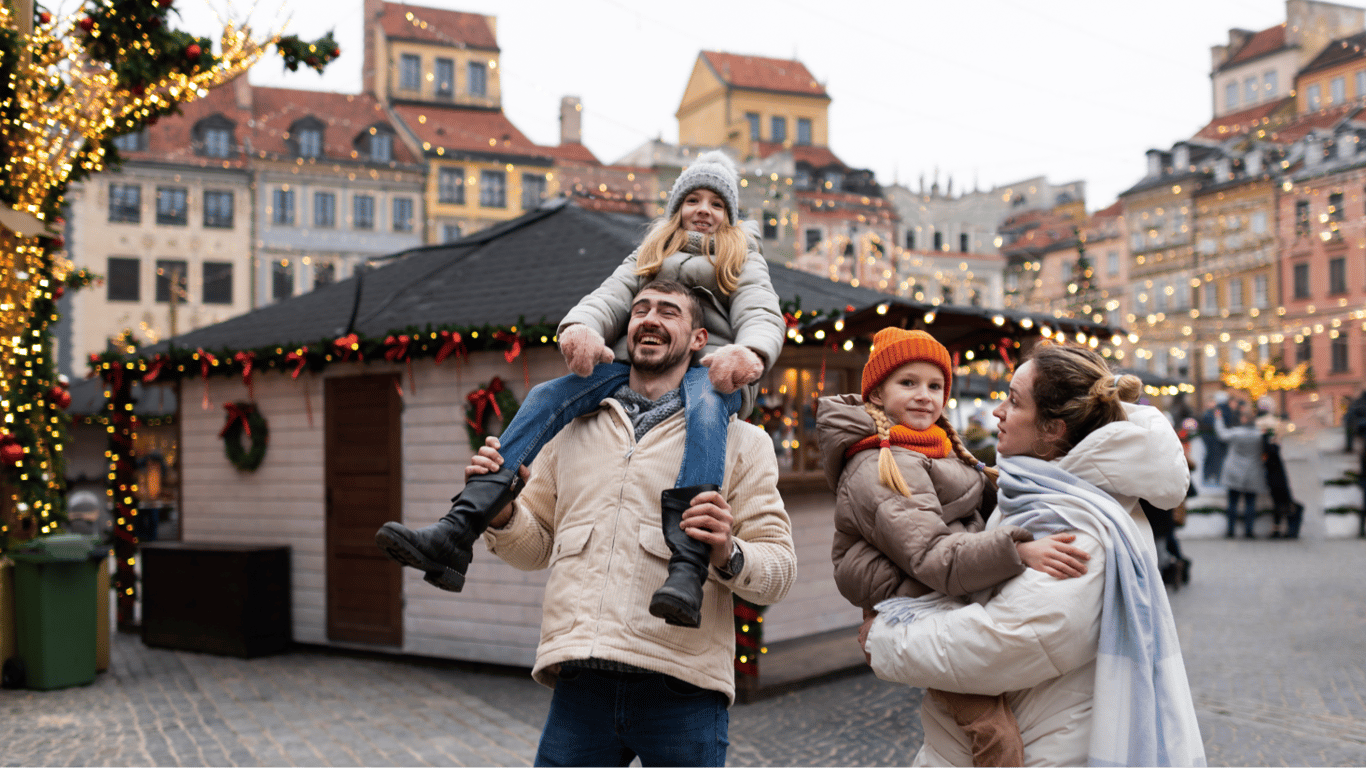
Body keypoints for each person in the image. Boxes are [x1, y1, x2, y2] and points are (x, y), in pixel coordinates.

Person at [376, 151, 785, 626]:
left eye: (717, 203)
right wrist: (583, 329)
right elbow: (607, 297)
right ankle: (459, 527)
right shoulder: (649, 255)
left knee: (708, 411)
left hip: (714, 371)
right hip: (637, 365)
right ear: (676, 210)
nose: (704, 210)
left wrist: (750, 353)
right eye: (692, 199)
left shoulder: (742, 259)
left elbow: (761, 312)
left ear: (730, 217)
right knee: (550, 394)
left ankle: (688, 564)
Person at [464, 280, 796, 767]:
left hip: (682, 688)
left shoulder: (742, 441)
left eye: (669, 311)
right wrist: (503, 514)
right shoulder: (571, 428)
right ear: (627, 328)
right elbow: (535, 549)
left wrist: (728, 552)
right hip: (581, 685)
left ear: (700, 339)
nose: (650, 318)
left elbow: (780, 572)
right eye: (641, 309)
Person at [859, 342, 1204, 768]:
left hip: (1043, 747)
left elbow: (1008, 641)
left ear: (1052, 430)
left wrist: (887, 639)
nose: (998, 412)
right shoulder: (1043, 494)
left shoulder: (1079, 527)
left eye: (1014, 401)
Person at [816, 328, 1090, 768]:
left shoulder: (938, 449)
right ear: (878, 393)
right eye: (908, 383)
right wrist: (1016, 551)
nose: (924, 395)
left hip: (937, 597)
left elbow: (978, 502)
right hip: (911, 607)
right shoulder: (879, 463)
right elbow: (930, 554)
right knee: (995, 736)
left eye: (935, 385)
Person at [1215, 398, 1267, 539]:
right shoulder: (1259, 435)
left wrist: (1218, 419)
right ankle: (1249, 531)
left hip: (1234, 471)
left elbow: (1221, 435)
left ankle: (1230, 531)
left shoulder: (1236, 433)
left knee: (1232, 502)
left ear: (1244, 418)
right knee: (1250, 503)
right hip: (1253, 471)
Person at [1256, 397, 1302, 539]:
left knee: (1282, 502)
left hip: (1278, 475)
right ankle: (1283, 529)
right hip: (1279, 475)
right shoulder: (1278, 438)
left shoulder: (1271, 443)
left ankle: (1283, 529)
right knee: (1281, 502)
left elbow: (1270, 452)